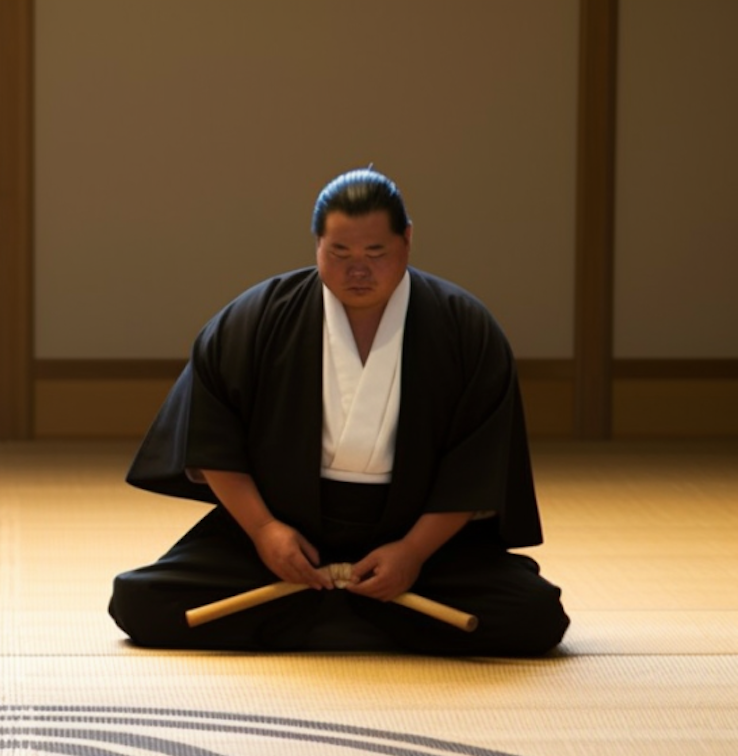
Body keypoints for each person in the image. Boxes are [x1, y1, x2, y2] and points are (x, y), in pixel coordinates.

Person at [109, 167, 568, 656]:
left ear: (408, 240)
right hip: (288, 532)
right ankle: (376, 615)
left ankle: (323, 612)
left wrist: (412, 553)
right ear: (316, 245)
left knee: (535, 618)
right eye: (340, 253)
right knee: (142, 603)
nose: (358, 271)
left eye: (376, 253)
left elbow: (477, 464)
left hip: (417, 536)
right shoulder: (258, 317)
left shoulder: (463, 327)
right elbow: (212, 433)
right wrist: (264, 531)